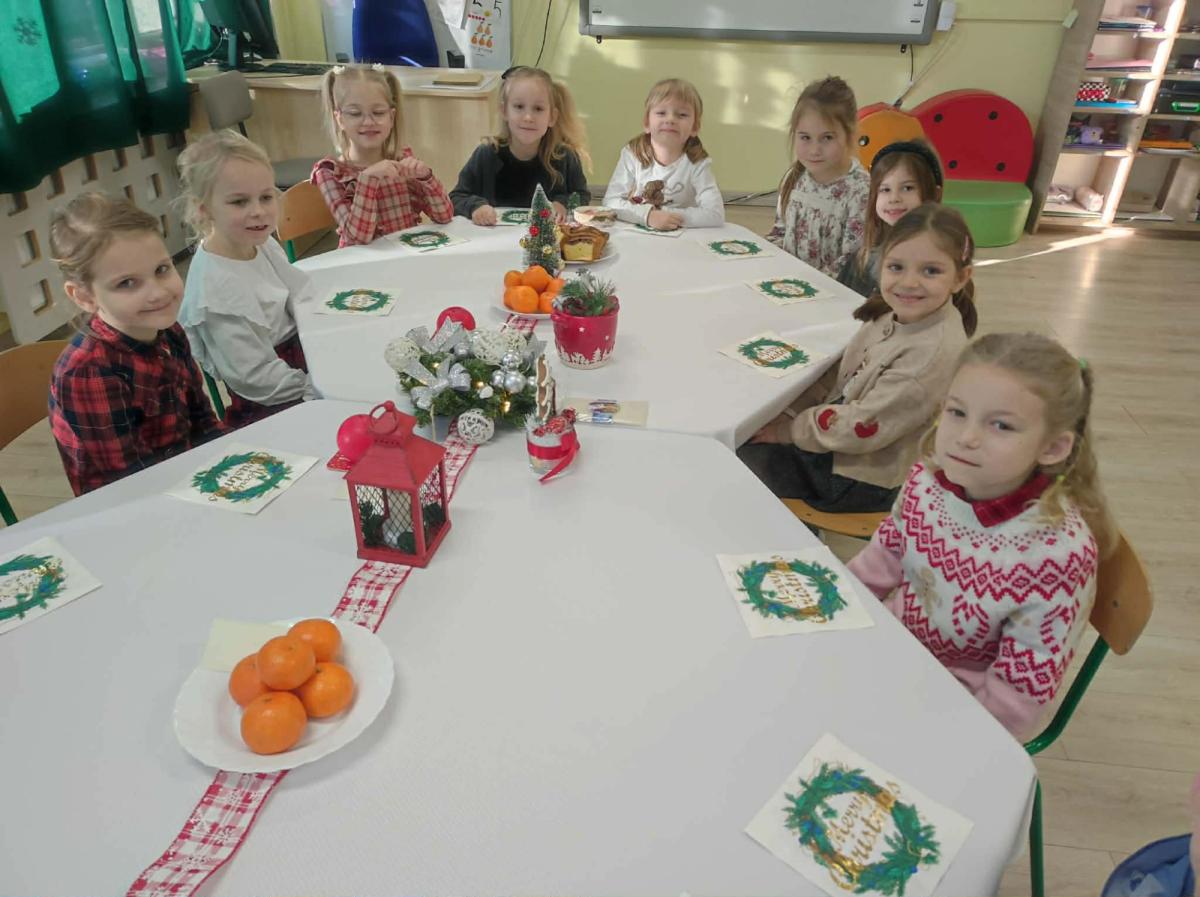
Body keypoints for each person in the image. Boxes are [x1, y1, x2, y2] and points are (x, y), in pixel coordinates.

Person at [848, 332, 1116, 742]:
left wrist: (948, 740)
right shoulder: (928, 481)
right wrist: (838, 619)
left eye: (1001, 425)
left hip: (958, 706)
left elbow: (1017, 697)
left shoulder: (1055, 557)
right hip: (894, 651)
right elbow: (880, 560)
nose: (967, 437)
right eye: (957, 412)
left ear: (1052, 448)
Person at [739, 204, 976, 512]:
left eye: (931, 271)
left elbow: (861, 428)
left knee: (736, 463)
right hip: (839, 435)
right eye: (896, 267)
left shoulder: (930, 353)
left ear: (960, 278)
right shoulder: (891, 313)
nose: (909, 282)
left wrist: (786, 431)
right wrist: (789, 413)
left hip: (859, 478)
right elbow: (839, 373)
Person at [47, 193, 222, 495]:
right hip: (133, 501)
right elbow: (132, 479)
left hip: (190, 476)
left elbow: (203, 421)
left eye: (161, 269)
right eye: (127, 283)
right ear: (84, 297)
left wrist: (235, 457)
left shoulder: (169, 330)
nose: (158, 293)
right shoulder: (87, 372)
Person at [177, 130, 315, 428]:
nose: (259, 211)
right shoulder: (216, 292)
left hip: (301, 359)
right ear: (204, 209)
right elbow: (255, 378)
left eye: (266, 197)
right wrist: (316, 386)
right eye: (239, 202)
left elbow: (297, 292)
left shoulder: (256, 240)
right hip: (274, 401)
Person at [312, 63, 453, 247]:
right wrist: (367, 181)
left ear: (391, 117)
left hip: (404, 256)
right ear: (339, 119)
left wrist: (426, 177)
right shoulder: (330, 172)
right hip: (363, 261)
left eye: (378, 113)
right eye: (355, 113)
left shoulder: (402, 159)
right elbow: (358, 238)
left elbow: (444, 216)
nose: (368, 122)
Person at [450, 66, 589, 224]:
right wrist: (476, 207)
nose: (528, 117)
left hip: (548, 238)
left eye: (538, 109)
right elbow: (456, 197)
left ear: (552, 117)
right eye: (519, 107)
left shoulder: (565, 156)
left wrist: (563, 204)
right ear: (504, 111)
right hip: (495, 237)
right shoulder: (486, 154)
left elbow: (582, 196)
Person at [766, 75, 869, 278]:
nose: (814, 150)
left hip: (829, 291)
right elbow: (779, 233)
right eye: (805, 137)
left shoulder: (860, 190)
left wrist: (805, 283)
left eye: (827, 138)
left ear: (849, 134)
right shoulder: (794, 178)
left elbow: (852, 263)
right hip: (788, 286)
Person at [601, 77, 724, 230]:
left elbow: (715, 214)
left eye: (682, 115)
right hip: (638, 231)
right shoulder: (632, 154)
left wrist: (667, 216)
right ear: (647, 123)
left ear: (695, 127)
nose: (670, 119)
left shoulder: (697, 162)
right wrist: (648, 216)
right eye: (661, 113)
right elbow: (610, 202)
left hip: (681, 235)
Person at [838, 139, 943, 298]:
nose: (894, 198)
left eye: (907, 188)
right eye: (885, 189)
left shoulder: (940, 259)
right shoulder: (864, 258)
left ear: (935, 193)